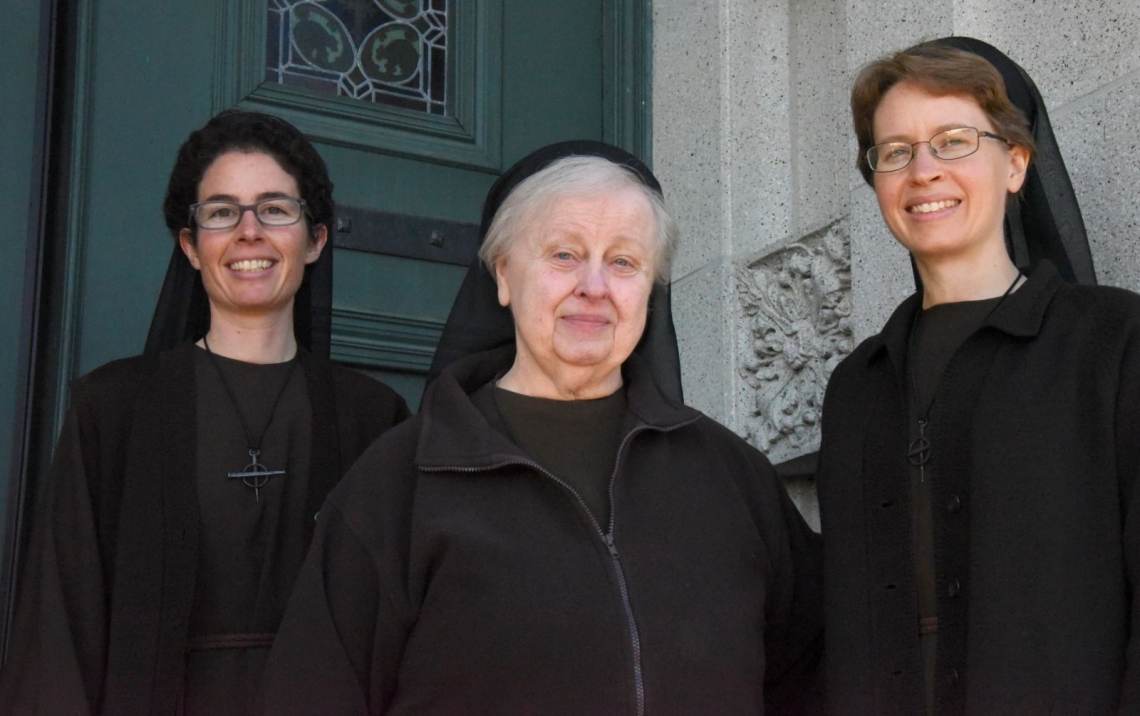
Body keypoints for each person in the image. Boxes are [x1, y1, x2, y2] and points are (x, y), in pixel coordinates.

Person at [258, 142, 823, 715]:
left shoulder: (732, 478)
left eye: (624, 262)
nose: (594, 286)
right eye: (564, 254)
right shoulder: (399, 484)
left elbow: (814, 677)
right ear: (503, 274)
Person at [0, 110, 410, 715]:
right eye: (221, 212)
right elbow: (60, 625)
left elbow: (405, 632)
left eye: (275, 208)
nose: (249, 232)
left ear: (316, 238)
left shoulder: (376, 419)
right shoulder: (111, 411)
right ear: (191, 246)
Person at [816, 38, 1139, 714]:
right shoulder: (856, 386)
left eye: (955, 141)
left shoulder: (1113, 342)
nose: (924, 170)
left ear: (1016, 163)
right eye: (896, 152)